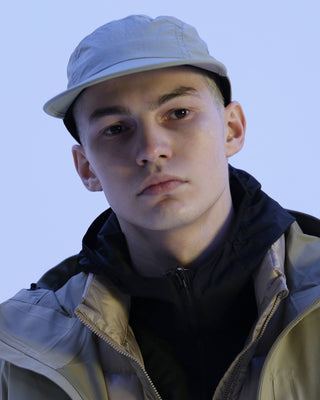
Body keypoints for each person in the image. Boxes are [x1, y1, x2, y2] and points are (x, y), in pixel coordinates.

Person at [1, 14, 320, 400]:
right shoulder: (17, 350)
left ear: (232, 129)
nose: (152, 149)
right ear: (86, 167)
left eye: (179, 113)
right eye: (116, 128)